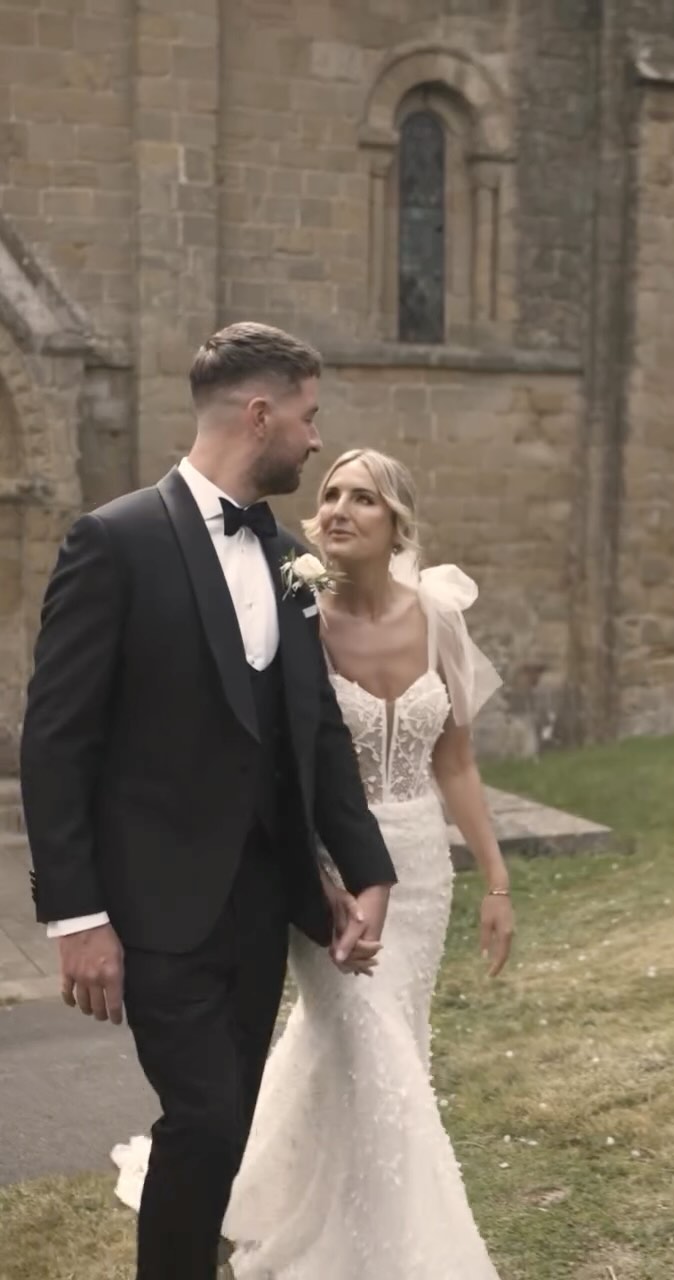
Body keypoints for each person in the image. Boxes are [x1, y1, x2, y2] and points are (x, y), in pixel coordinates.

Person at [20, 328, 398, 1280]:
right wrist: (77, 915)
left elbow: (310, 731)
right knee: (207, 1116)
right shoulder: (114, 541)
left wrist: (367, 869)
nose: (317, 444)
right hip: (152, 910)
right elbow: (57, 742)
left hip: (258, 907)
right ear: (259, 414)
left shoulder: (284, 554)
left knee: (220, 1126)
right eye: (309, 419)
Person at [113, 447, 514, 1278]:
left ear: (395, 521)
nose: (335, 508)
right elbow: (283, 764)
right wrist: (319, 875)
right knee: (376, 1053)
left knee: (386, 1045)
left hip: (422, 874)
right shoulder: (299, 614)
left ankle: (282, 1193)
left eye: (360, 498)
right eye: (328, 493)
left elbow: (457, 763)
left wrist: (496, 881)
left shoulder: (439, 616)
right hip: (327, 873)